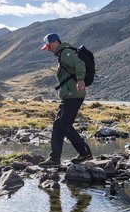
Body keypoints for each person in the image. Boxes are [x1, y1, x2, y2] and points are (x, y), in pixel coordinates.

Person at [39, 33, 93, 167]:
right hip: (68, 95)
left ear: (56, 42)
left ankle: (85, 152)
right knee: (58, 124)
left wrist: (80, 80)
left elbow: (79, 64)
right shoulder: (62, 54)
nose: (49, 49)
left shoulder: (66, 53)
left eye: (49, 46)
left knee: (64, 124)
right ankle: (54, 159)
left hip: (74, 94)